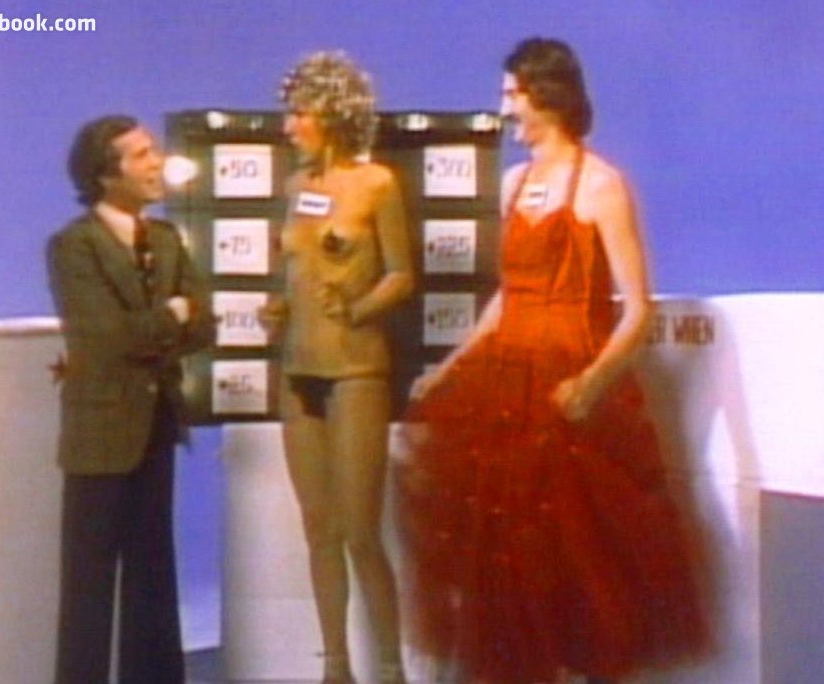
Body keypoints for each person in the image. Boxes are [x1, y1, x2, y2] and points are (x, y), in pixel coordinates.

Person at [399, 38, 711, 683]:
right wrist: (449, 369)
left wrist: (593, 383)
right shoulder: (513, 185)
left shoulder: (601, 184)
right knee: (505, 560)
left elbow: (638, 309)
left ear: (546, 96)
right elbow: (508, 298)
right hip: (502, 390)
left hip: (568, 385)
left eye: (512, 94)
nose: (503, 109)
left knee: (575, 557)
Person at [260, 52, 414, 683]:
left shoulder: (377, 183)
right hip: (297, 370)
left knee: (359, 533)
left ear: (332, 114)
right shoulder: (296, 188)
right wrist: (277, 307)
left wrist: (359, 306)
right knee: (318, 531)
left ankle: (391, 667)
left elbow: (401, 274)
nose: (288, 126)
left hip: (355, 371)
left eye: (298, 113)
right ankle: (335, 666)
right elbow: (292, 270)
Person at [47, 115, 212, 684]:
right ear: (105, 174)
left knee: (153, 578)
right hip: (99, 436)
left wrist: (168, 321)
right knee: (88, 586)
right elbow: (107, 338)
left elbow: (203, 325)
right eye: (141, 155)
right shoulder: (74, 246)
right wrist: (171, 314)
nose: (157, 161)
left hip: (156, 426)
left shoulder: (166, 239)